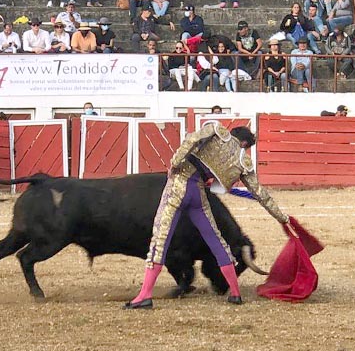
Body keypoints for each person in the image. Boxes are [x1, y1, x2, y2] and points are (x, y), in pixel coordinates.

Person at [123, 122, 290, 309]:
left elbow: (192, 139)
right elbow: (260, 194)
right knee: (217, 241)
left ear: (234, 134)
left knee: (160, 239)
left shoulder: (217, 130)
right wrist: (282, 218)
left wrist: (174, 163)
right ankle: (235, 293)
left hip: (179, 184)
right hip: (198, 193)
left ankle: (145, 295)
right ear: (244, 144)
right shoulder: (243, 162)